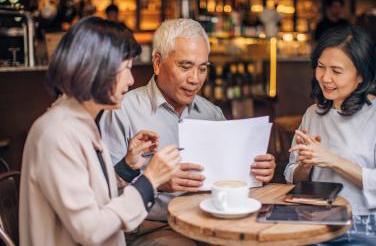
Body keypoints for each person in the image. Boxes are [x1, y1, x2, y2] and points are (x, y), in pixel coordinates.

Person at [99, 18, 276, 245]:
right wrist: (156, 182)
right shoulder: (123, 111)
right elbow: (104, 194)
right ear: (157, 63)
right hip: (154, 227)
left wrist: (256, 171)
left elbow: (228, 178)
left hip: (211, 223)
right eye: (185, 67)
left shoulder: (211, 113)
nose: (195, 79)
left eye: (202, 69)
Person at [19, 16, 182, 246]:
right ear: (98, 70)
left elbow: (92, 195)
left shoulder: (81, 122)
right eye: (126, 69)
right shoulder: (56, 134)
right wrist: (150, 180)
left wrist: (128, 165)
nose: (131, 80)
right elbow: (90, 230)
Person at [285, 25, 376, 245]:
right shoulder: (314, 113)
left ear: (361, 76)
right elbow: (294, 177)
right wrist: (305, 166)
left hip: (371, 225)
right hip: (319, 220)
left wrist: (333, 161)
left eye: (336, 71)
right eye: (320, 67)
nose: (325, 78)